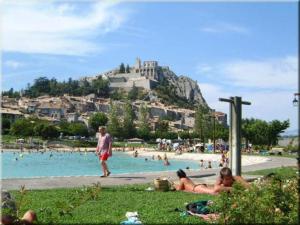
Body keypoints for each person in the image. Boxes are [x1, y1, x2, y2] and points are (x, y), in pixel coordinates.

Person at [174, 167, 249, 195]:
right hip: (198, 187)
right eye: (227, 179)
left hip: (197, 188)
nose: (228, 180)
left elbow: (180, 189)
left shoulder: (182, 179)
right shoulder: (185, 178)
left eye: (229, 179)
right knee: (214, 190)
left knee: (213, 191)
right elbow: (216, 188)